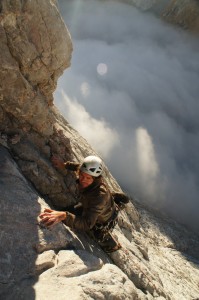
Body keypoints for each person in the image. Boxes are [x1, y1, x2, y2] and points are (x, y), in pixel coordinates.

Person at [39, 155, 122, 253]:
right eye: (82, 175)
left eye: (88, 178)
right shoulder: (89, 173)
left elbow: (87, 224)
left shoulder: (99, 196)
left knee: (96, 233)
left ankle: (112, 244)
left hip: (104, 219)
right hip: (90, 206)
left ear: (95, 179)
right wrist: (64, 165)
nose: (83, 180)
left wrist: (65, 216)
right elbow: (79, 167)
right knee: (65, 212)